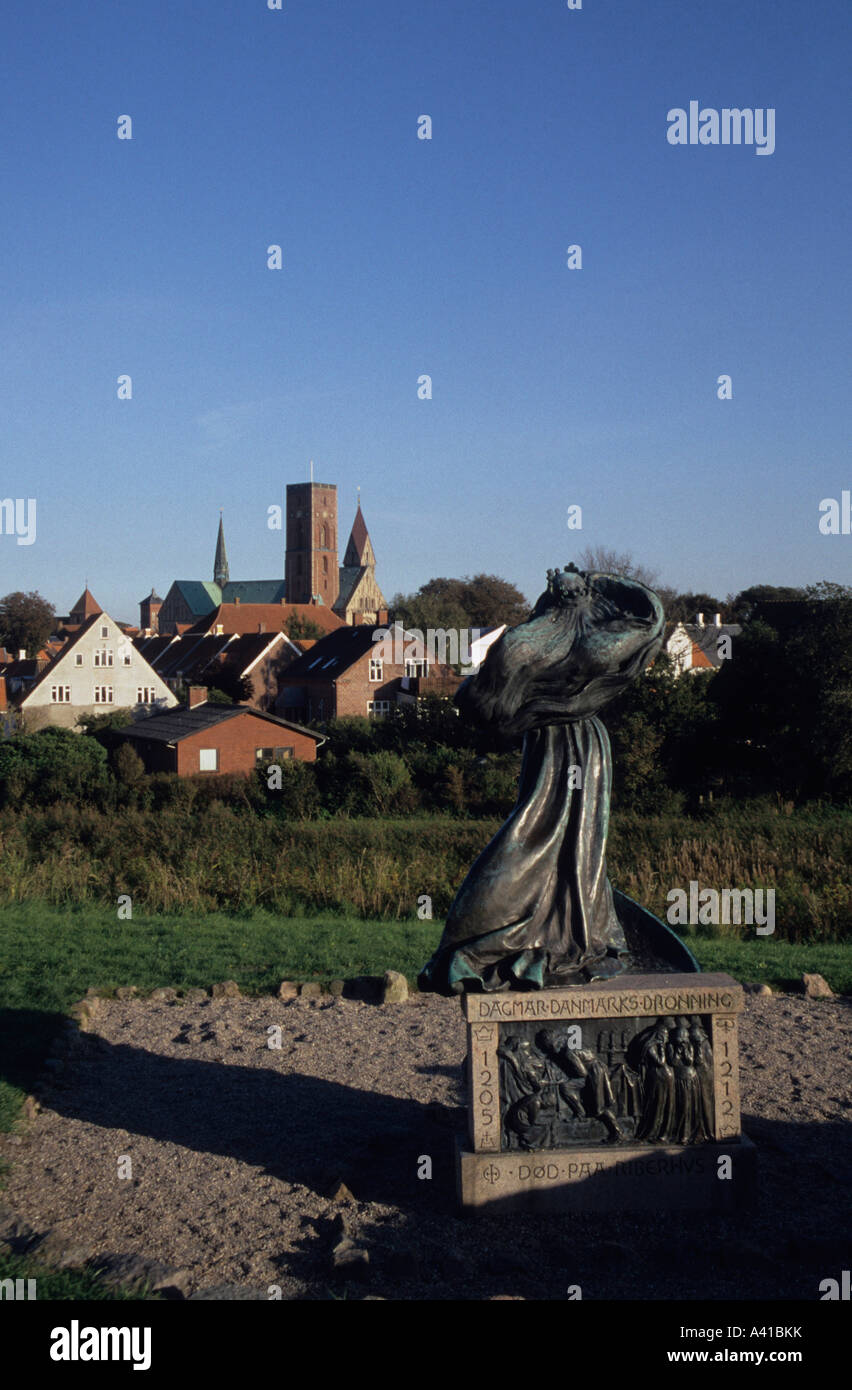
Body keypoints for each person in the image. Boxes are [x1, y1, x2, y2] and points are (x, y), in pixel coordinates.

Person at [418, 566, 665, 993]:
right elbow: (651, 611)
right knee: (546, 830)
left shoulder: (530, 643)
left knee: (569, 837)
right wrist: (602, 582)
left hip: (569, 744)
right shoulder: (582, 642)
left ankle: (559, 932)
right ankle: (520, 933)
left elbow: (475, 701)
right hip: (568, 743)